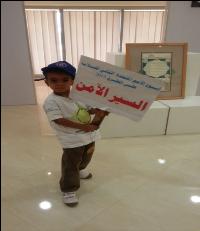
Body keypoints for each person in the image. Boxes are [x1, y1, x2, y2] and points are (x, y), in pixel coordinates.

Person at [41, 61, 108, 207]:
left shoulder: (79, 95)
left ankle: (81, 168)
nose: (60, 83)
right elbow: (59, 120)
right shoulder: (51, 102)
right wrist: (83, 127)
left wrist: (96, 111)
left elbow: (88, 109)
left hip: (89, 135)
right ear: (47, 83)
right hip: (71, 139)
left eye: (65, 80)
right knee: (70, 163)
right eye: (54, 80)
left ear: (73, 81)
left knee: (87, 155)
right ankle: (68, 189)